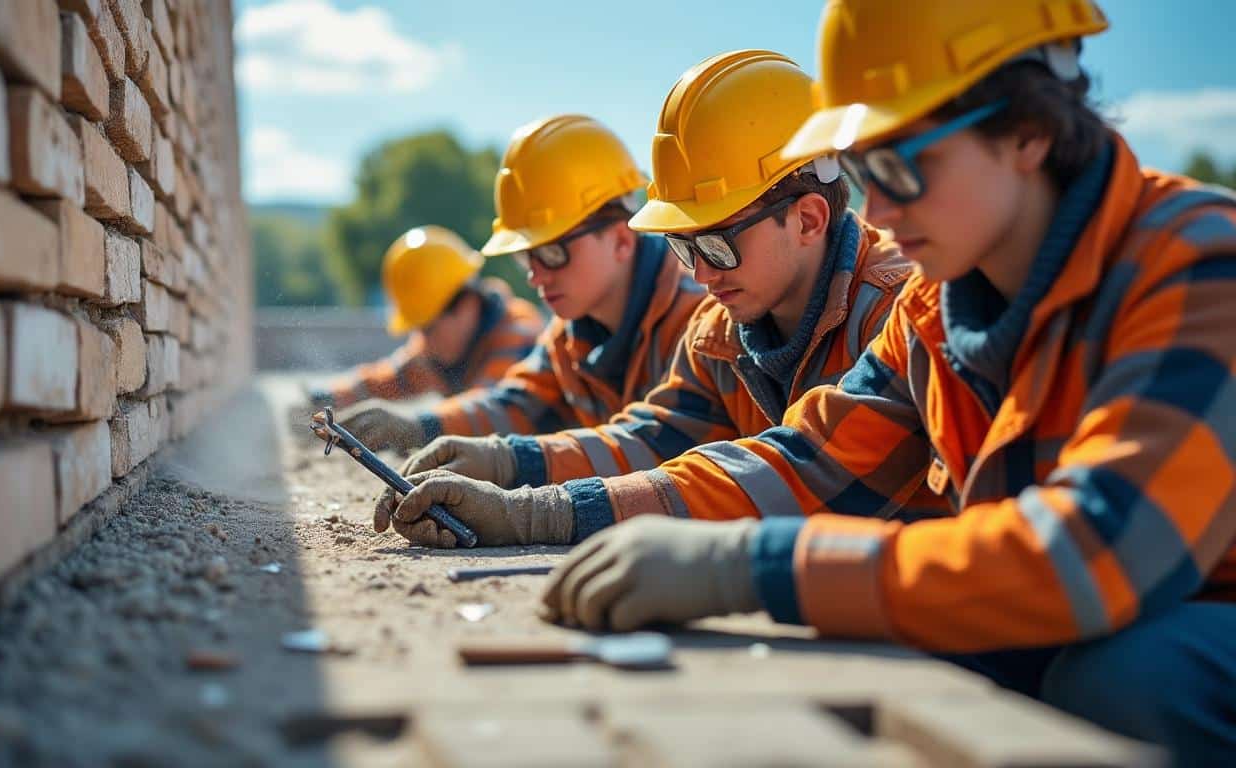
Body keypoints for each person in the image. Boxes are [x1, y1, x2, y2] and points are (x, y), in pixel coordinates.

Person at [522, 1, 1236, 762]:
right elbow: (806, 463)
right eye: (864, 172)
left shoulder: (1197, 265)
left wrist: (751, 568)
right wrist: (557, 509)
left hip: (1184, 614)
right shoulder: (936, 306)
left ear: (1030, 129)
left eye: (899, 167)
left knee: (1128, 679)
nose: (881, 212)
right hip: (1087, 611)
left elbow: (1091, 554)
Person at [379, 50, 942, 547]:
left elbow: (808, 467)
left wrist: (535, 512)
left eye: (717, 245)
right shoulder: (719, 332)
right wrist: (509, 462)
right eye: (683, 244)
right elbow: (651, 440)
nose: (700, 271)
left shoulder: (893, 307)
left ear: (809, 219)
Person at [315, 115, 705, 453]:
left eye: (552, 253)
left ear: (621, 239)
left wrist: (513, 467)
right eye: (526, 257)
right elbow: (511, 404)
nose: (535, 275)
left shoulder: (696, 322)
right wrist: (419, 428)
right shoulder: (567, 338)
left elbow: (658, 445)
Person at [307, 225, 543, 409]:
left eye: (428, 328)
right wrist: (326, 397)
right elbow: (386, 379)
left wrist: (421, 427)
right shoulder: (443, 352)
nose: (423, 340)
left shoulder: (519, 338)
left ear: (467, 304)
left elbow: (489, 410)